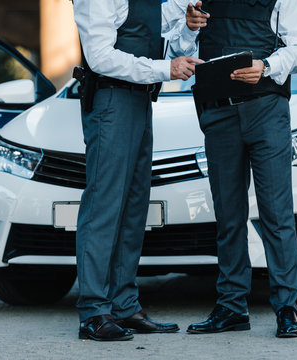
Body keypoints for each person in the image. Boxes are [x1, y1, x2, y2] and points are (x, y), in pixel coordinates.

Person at [72, 0, 207, 341]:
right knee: (104, 207)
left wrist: (188, 25)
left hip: (139, 100)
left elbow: (159, 35)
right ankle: (93, 312)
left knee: (133, 208)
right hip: (111, 101)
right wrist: (165, 69)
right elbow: (100, 56)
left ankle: (124, 306)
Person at [185, 0, 297, 338]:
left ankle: (287, 307)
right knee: (228, 215)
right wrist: (188, 26)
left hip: (265, 109)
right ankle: (231, 307)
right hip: (218, 113)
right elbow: (181, 50)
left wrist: (267, 65)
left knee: (276, 212)